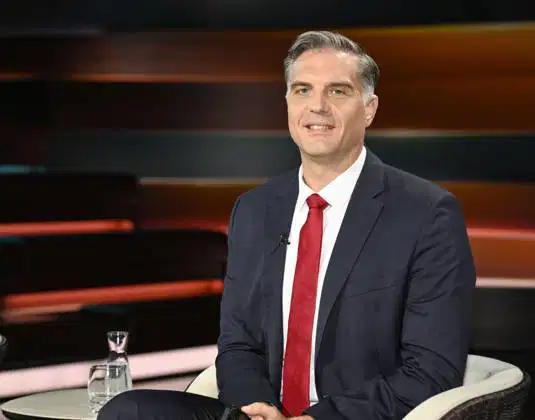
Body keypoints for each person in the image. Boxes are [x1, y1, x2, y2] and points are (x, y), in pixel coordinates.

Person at [98, 30, 476, 420]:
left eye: (338, 91)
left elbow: (431, 372)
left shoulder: (426, 213)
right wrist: (256, 406)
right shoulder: (254, 209)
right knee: (131, 410)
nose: (318, 107)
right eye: (302, 90)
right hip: (263, 415)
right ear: (288, 104)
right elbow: (238, 344)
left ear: (369, 108)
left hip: (351, 417)